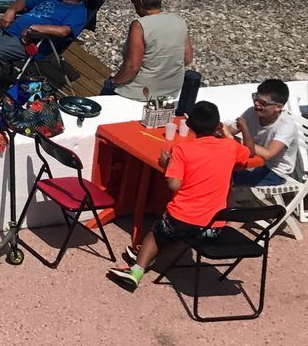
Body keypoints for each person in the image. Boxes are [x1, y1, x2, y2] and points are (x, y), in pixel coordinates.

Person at [108, 101, 255, 290]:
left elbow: (174, 185)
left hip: (181, 220)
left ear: (190, 125)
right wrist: (243, 129)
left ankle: (137, 270)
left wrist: (165, 165)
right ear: (218, 126)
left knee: (158, 232)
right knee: (178, 230)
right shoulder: (230, 148)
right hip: (214, 227)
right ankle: (148, 255)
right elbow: (250, 151)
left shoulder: (182, 150)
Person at [103, 0, 192, 101]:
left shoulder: (140, 25)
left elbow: (132, 66)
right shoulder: (179, 20)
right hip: (172, 90)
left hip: (141, 92)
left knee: (106, 89)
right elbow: (187, 58)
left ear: (139, 2)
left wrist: (113, 82)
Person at [231, 79, 299, 187]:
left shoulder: (286, 126)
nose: (257, 104)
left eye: (263, 103)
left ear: (278, 107)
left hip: (274, 171)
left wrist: (241, 141)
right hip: (255, 161)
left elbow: (268, 154)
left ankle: (226, 203)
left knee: (226, 175)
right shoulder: (251, 112)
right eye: (255, 98)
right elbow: (230, 130)